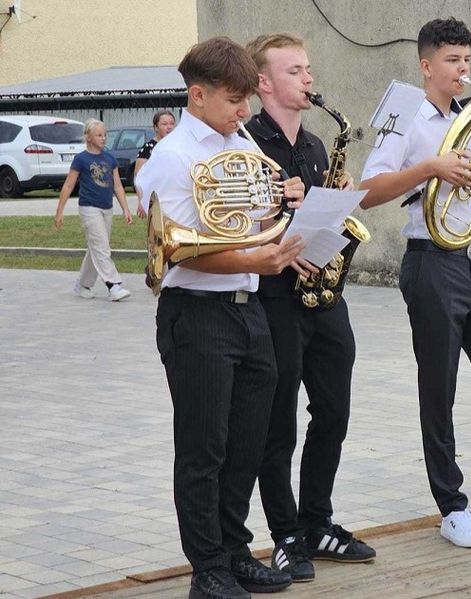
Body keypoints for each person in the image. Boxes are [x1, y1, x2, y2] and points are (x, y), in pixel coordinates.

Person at [357, 17, 471, 549]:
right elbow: (369, 191)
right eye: (452, 61)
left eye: (467, 60)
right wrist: (432, 167)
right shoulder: (405, 115)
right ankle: (452, 505)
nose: (463, 70)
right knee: (438, 388)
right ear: (426, 65)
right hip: (432, 260)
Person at [134, 36, 308, 599]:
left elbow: (258, 218)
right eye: (235, 100)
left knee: (247, 444)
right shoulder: (173, 156)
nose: (245, 111)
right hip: (198, 313)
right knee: (204, 447)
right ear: (198, 94)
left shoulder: (244, 147)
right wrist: (257, 256)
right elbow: (182, 248)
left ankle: (234, 550)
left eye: (246, 101)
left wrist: (289, 203)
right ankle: (206, 567)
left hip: (248, 307)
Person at [243, 32, 375, 583]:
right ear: (264, 83)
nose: (308, 79)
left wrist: (336, 194)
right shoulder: (247, 144)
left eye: (309, 69)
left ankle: (318, 521)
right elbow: (238, 226)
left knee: (335, 414)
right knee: (279, 426)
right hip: (276, 300)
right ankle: (286, 534)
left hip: (325, 296)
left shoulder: (319, 145)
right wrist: (279, 202)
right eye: (295, 70)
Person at [53, 118, 133, 302]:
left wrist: (126, 209)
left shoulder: (110, 158)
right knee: (102, 247)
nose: (103, 138)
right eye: (99, 135)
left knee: (95, 248)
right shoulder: (81, 159)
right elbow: (68, 185)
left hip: (107, 208)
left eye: (105, 135)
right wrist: (59, 211)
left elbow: (118, 186)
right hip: (89, 208)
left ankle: (83, 284)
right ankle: (113, 286)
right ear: (88, 137)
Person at [133, 109, 177, 217]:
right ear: (156, 127)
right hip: (156, 198)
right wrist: (142, 201)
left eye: (172, 123)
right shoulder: (148, 148)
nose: (169, 127)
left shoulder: (178, 146)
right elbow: (138, 176)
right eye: (164, 124)